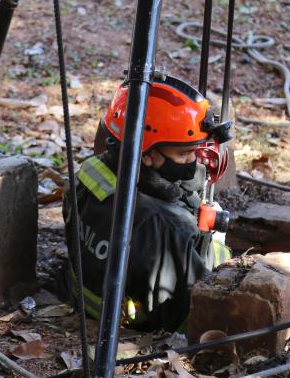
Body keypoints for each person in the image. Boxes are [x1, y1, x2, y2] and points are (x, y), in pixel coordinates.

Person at [63, 75, 231, 332]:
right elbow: (195, 306)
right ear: (147, 154)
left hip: (81, 293)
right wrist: (212, 243)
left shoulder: (92, 170)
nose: (192, 160)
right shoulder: (167, 226)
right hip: (134, 327)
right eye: (183, 153)